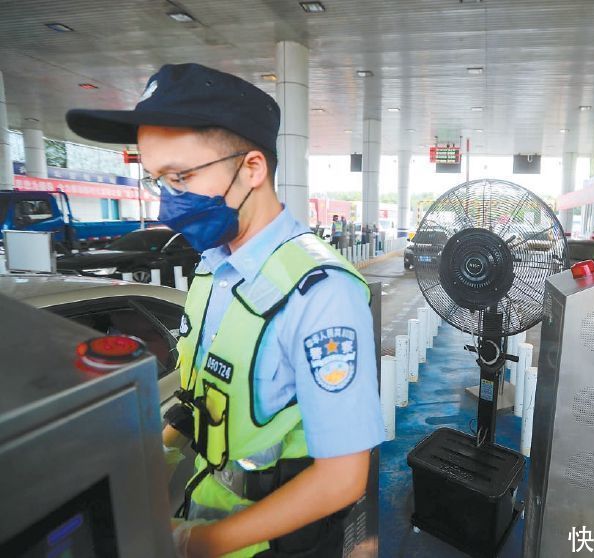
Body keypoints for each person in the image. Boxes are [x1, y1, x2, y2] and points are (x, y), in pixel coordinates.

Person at [66, 63, 384, 558]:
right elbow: (207, 401)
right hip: (203, 509)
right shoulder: (214, 267)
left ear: (252, 168)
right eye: (157, 181)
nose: (166, 204)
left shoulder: (321, 295)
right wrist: (153, 456)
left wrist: (197, 544)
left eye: (182, 177)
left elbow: (342, 478)